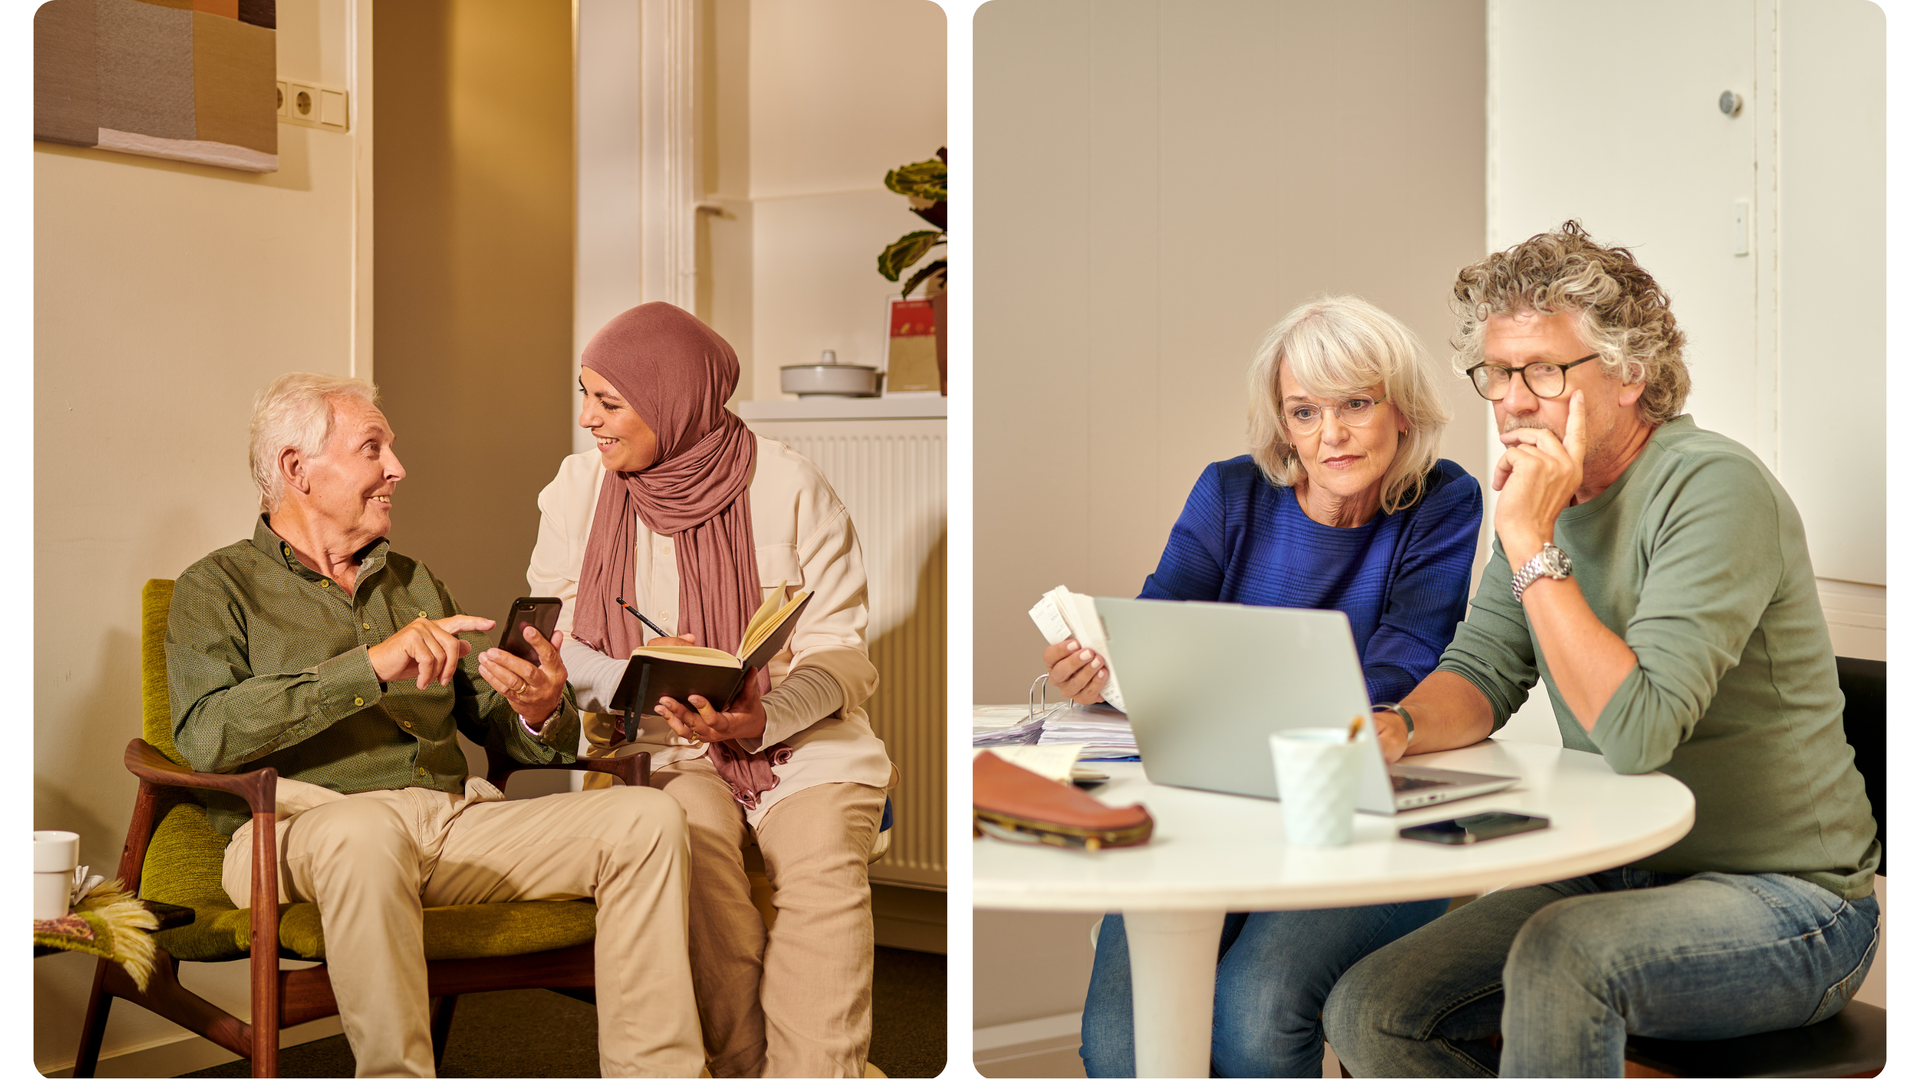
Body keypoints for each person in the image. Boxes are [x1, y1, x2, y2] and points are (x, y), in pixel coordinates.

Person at [1321, 222, 1881, 1077]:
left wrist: (1531, 541)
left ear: (1631, 374)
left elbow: (1639, 733)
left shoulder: (1712, 488)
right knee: (1375, 1009)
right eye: (1498, 374)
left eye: (1543, 371)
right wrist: (1391, 728)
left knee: (1563, 960)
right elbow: (1480, 673)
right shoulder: (1546, 497)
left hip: (1789, 903)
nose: (1511, 401)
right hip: (1614, 871)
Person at [167, 373, 702, 1078]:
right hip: (298, 827)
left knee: (646, 820)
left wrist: (538, 709)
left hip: (449, 823)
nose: (398, 469)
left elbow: (495, 723)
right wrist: (370, 666)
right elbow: (206, 736)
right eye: (373, 449)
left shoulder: (415, 583)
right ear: (297, 469)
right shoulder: (216, 587)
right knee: (368, 829)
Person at [1051, 296, 1485, 1077]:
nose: (1333, 434)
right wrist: (1100, 671)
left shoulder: (1443, 500)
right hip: (1206, 807)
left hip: (1353, 817)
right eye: (1306, 411)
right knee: (1120, 1043)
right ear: (1283, 423)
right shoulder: (1229, 492)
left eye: (1357, 403)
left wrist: (1236, 690)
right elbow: (1157, 631)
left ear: (1402, 408)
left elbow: (1407, 657)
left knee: (1253, 1014)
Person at [526, 302, 894, 1078]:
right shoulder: (574, 491)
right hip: (656, 742)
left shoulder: (792, 485)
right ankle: (742, 1065)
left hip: (797, 741)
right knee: (689, 860)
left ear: (674, 399)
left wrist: (762, 716)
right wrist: (637, 676)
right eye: (584, 394)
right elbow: (557, 642)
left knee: (823, 870)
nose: (587, 419)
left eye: (608, 401)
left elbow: (842, 654)